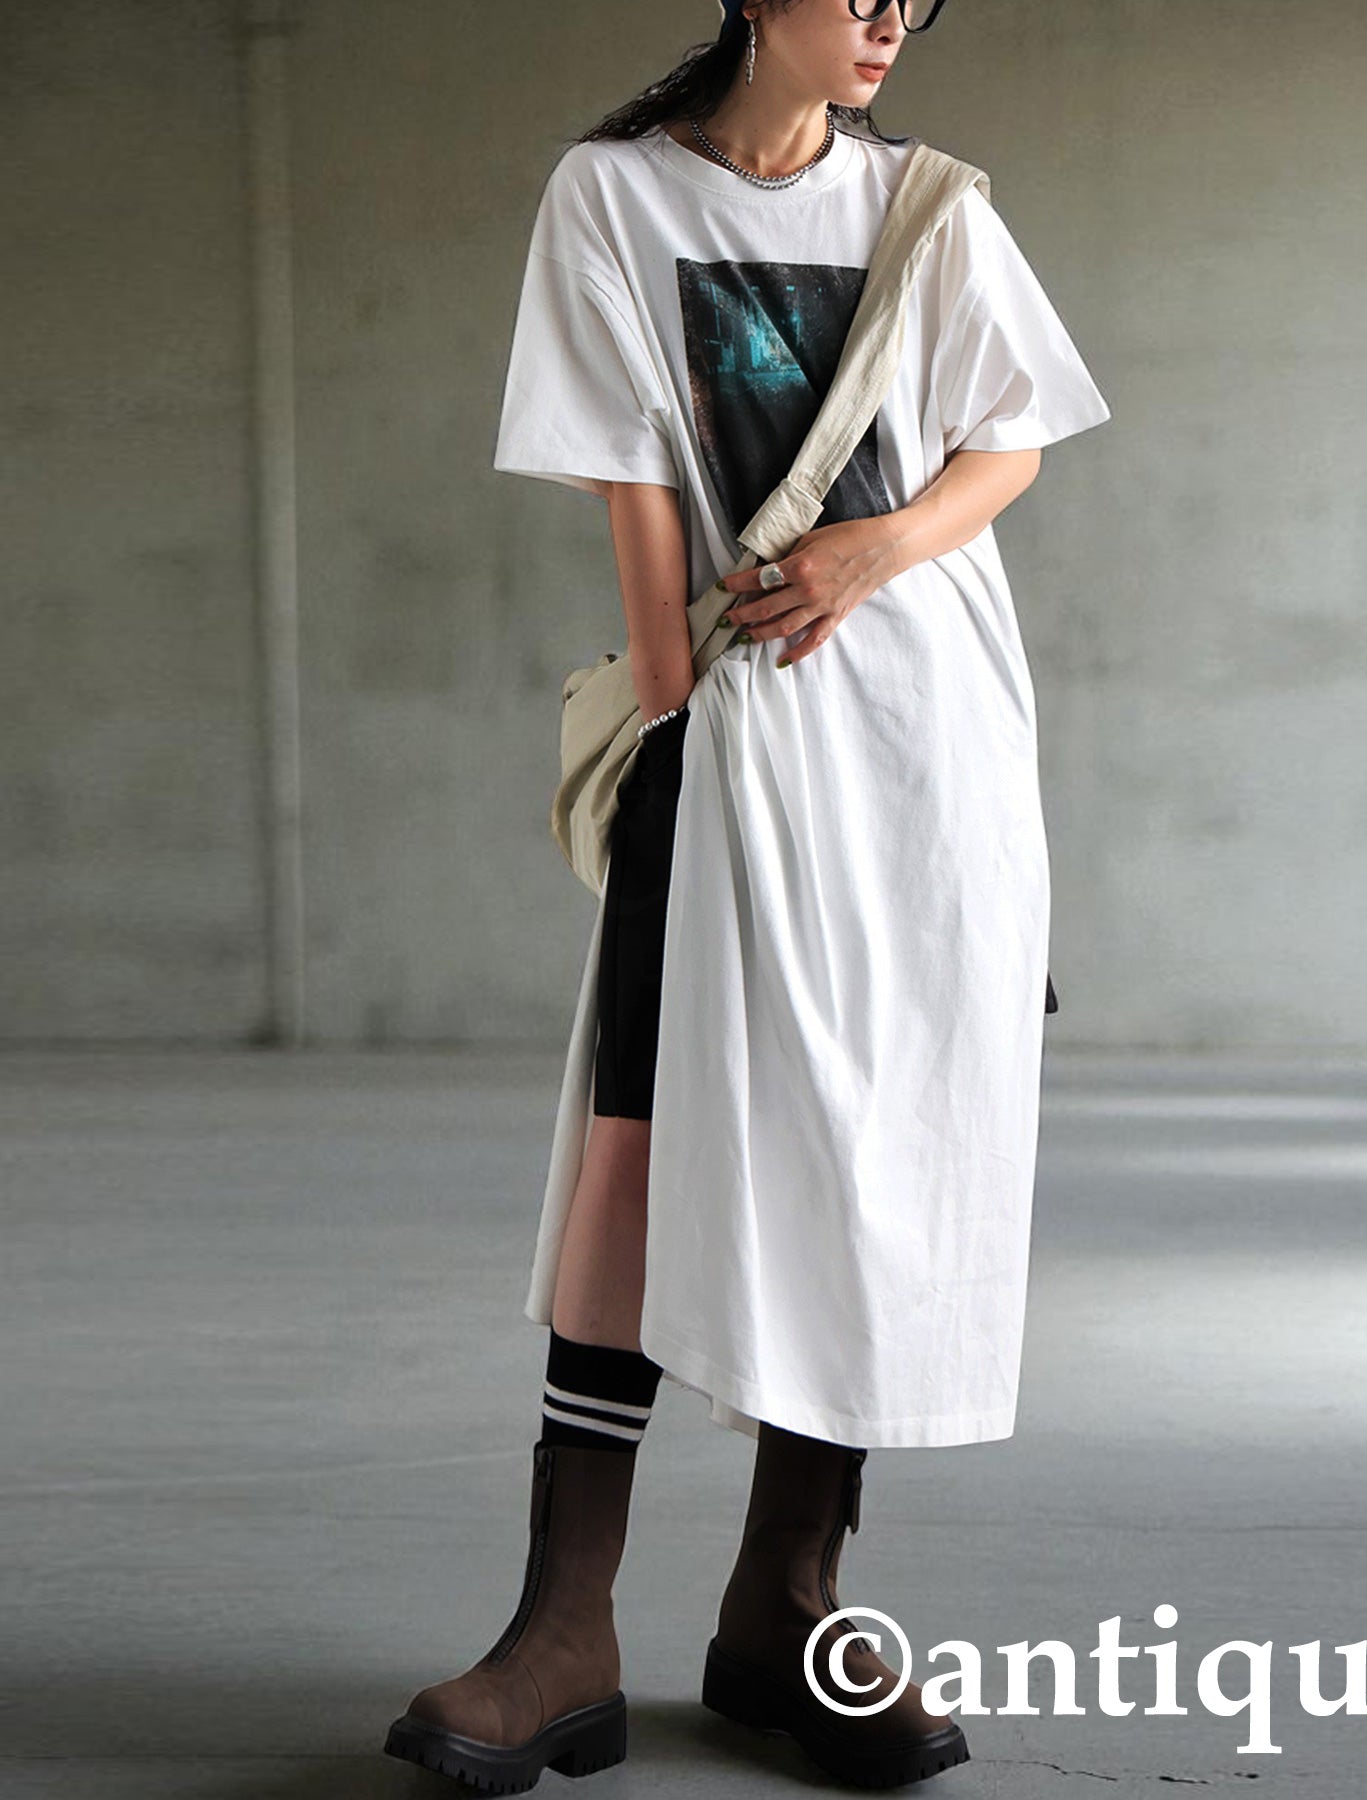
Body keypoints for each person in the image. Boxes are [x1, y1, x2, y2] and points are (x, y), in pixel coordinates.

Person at [384, 0, 1111, 1791]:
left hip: (932, 741)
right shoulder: (615, 195)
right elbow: (635, 479)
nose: (885, 17)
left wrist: (873, 547)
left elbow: (1009, 439)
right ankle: (563, 1633)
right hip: (732, 729)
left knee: (872, 1151)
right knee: (634, 1154)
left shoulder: (929, 204)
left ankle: (788, 1608)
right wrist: (672, 714)